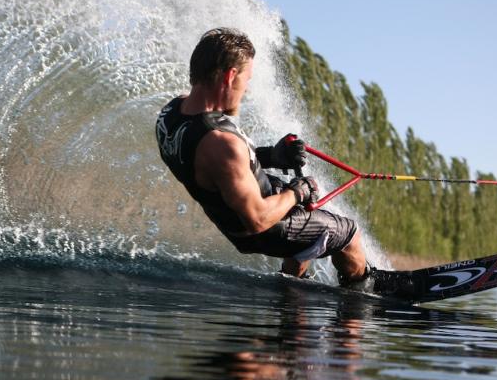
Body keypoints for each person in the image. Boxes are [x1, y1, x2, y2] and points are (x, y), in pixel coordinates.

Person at [155, 27, 369, 283]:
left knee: (302, 212)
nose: (246, 89)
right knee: (348, 233)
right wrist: (298, 192)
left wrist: (273, 156)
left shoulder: (173, 113)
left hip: (238, 208)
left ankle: (291, 287)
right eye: (247, 79)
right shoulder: (221, 144)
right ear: (230, 76)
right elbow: (257, 218)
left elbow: (217, 168)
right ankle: (362, 297)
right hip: (263, 227)